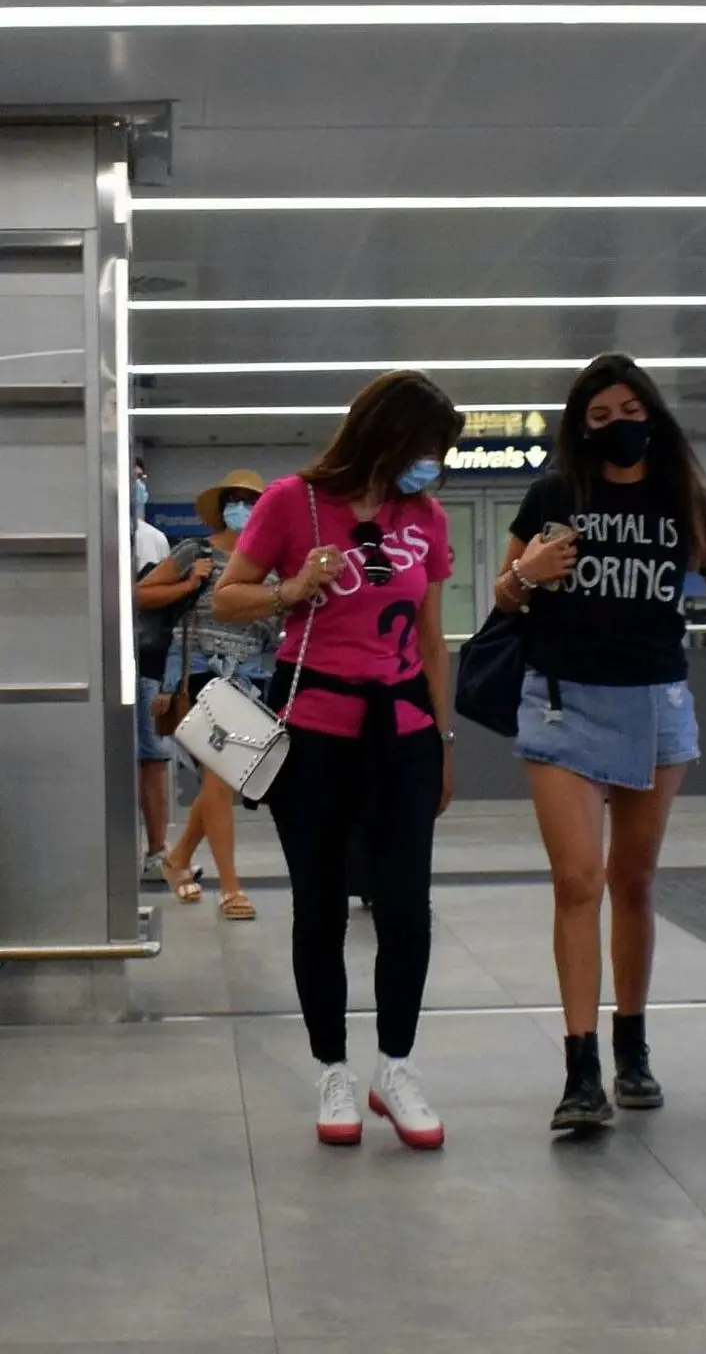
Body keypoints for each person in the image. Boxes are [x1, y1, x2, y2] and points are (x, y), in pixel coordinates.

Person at [495, 352, 706, 1132]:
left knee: (634, 881)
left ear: (653, 415)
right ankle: (581, 1066)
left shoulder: (683, 500)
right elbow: (506, 594)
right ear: (579, 428)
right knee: (577, 881)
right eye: (599, 417)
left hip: (656, 705)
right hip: (563, 703)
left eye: (629, 412)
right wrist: (527, 571)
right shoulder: (557, 495)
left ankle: (632, 1045)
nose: (617, 427)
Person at [213, 371, 461, 1150]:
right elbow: (228, 597)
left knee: (405, 905)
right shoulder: (294, 501)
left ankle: (397, 1066)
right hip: (313, 727)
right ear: (387, 436)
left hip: (405, 731)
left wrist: (443, 740)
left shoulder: (426, 518)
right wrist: (293, 587)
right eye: (428, 448)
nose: (435, 465)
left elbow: (430, 639)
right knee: (319, 903)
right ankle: (333, 1068)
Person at [136, 470, 273, 918]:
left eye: (250, 501)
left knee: (224, 778)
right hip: (195, 672)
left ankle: (177, 860)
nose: (241, 509)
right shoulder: (196, 551)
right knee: (218, 777)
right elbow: (143, 593)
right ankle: (231, 889)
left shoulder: (271, 562)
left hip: (248, 677)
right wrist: (191, 583)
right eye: (234, 501)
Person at [132, 458, 175, 881]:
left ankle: (158, 849)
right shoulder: (102, 534)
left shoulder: (155, 540)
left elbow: (158, 603)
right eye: (132, 478)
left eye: (142, 478)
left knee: (154, 756)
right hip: (107, 660)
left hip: (149, 663)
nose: (138, 485)